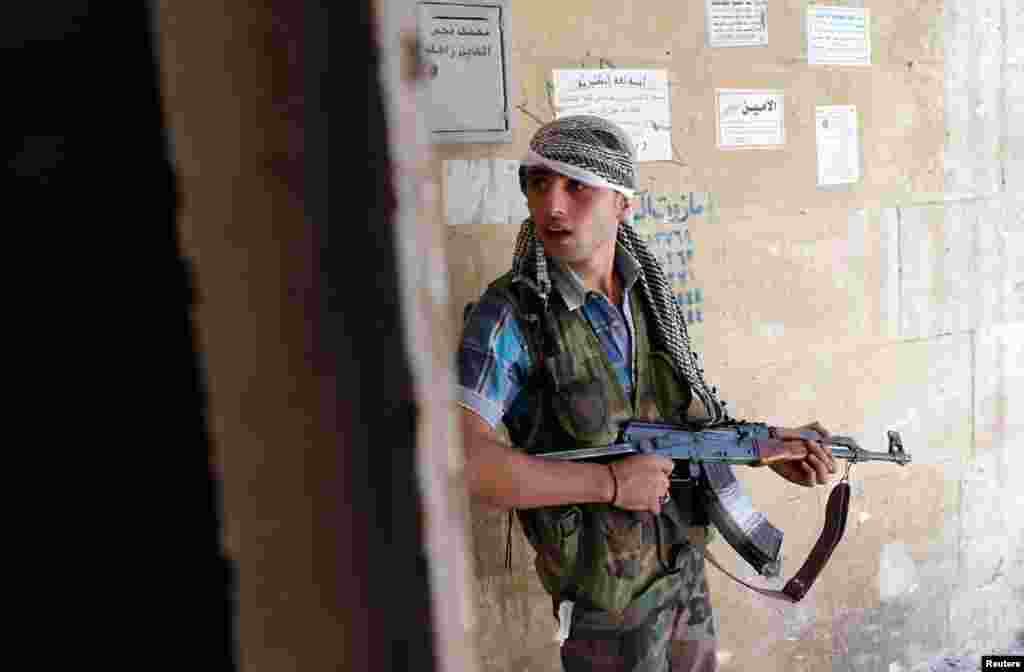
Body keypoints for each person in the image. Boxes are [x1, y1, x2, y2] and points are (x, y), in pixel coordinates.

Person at [457, 115, 836, 672]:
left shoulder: (648, 297)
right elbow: (463, 464)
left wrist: (767, 446)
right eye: (538, 184)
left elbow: (677, 426)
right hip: (604, 605)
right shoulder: (511, 315)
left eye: (577, 186)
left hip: (683, 571)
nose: (553, 206)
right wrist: (609, 483)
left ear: (622, 203)